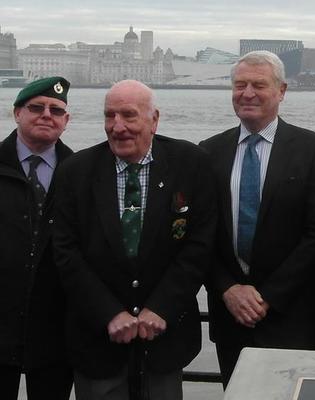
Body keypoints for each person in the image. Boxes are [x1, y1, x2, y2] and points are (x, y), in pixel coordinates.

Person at [53, 80, 215, 399]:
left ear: (154, 120)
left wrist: (161, 308)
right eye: (109, 116)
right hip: (96, 342)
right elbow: (66, 251)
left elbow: (199, 245)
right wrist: (109, 313)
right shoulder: (75, 171)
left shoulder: (191, 163)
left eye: (129, 115)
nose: (118, 127)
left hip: (165, 341)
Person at [200, 50, 315, 387]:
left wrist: (268, 297)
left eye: (259, 85)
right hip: (230, 316)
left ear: (282, 91)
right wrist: (227, 289)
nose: (247, 93)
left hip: (291, 317)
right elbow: (199, 235)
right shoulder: (207, 152)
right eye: (240, 85)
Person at [0, 77, 73, 400]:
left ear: (66, 121)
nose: (47, 115)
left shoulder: (80, 174)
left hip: (56, 332)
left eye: (56, 110)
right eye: (36, 107)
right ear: (17, 113)